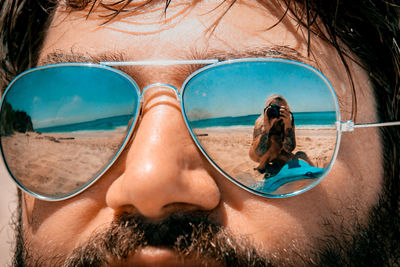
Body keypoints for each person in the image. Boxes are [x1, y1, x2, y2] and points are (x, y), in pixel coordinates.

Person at [0, 0, 399, 266]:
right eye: (43, 101)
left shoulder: (289, 144)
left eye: (270, 77)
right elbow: (257, 157)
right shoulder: (270, 138)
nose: (149, 183)